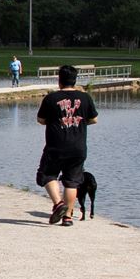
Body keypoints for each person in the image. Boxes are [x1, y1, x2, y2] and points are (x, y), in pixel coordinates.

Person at [34, 64, 97, 226]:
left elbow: (41, 120)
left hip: (56, 145)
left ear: (59, 80)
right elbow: (94, 119)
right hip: (78, 147)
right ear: (75, 80)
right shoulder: (85, 98)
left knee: (47, 174)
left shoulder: (51, 98)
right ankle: (67, 217)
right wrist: (78, 122)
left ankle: (58, 204)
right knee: (72, 181)